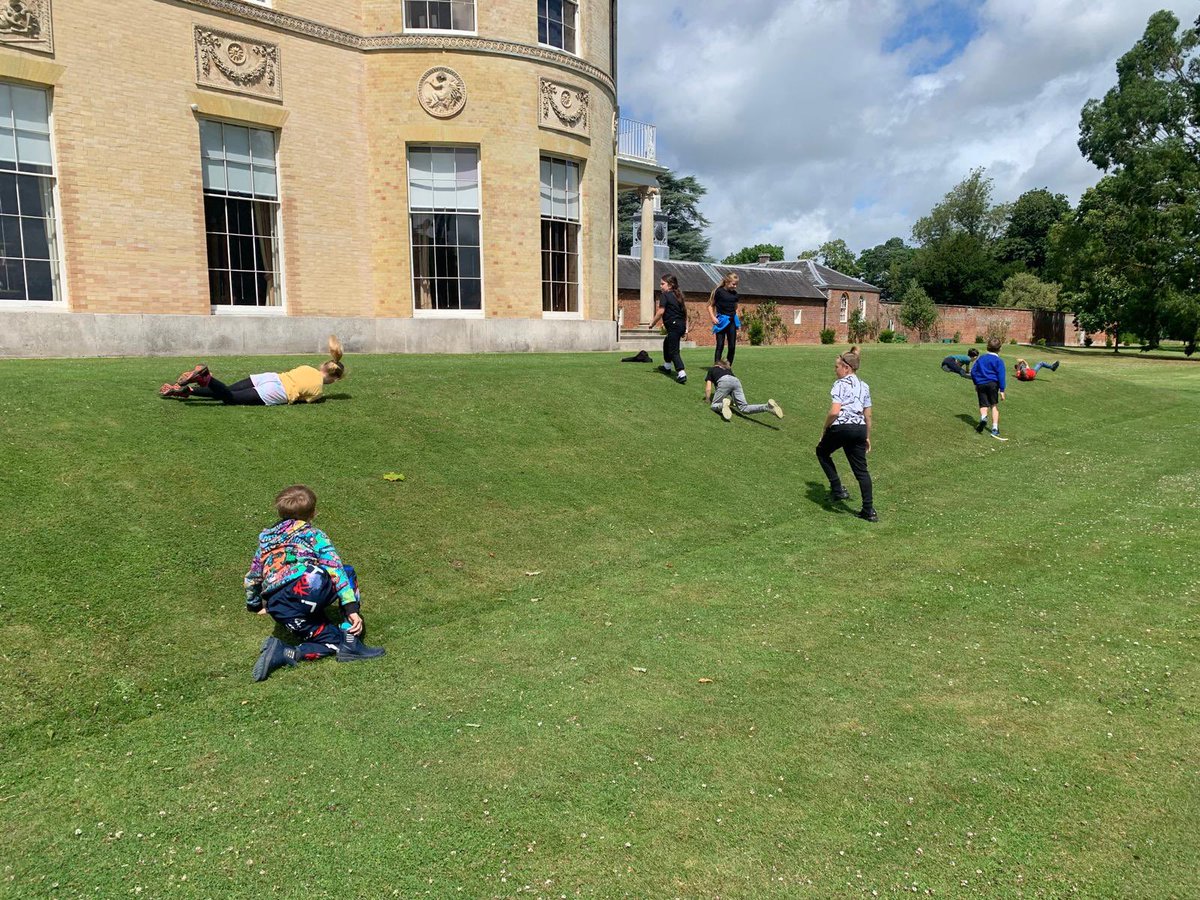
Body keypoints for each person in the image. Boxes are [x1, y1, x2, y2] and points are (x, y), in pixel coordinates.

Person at [245, 485, 385, 682]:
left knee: (333, 641)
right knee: (347, 571)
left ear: (279, 512)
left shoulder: (266, 540)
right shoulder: (314, 534)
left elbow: (252, 578)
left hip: (279, 605)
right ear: (313, 513)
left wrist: (256, 605)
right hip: (308, 587)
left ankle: (285, 651)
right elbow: (335, 569)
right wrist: (351, 608)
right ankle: (351, 637)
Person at [158, 335, 346, 405]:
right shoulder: (319, 391)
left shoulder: (306, 367)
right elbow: (305, 399)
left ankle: (186, 391)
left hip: (271, 377)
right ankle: (205, 379)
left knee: (227, 391)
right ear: (334, 379)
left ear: (324, 365)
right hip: (277, 391)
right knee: (230, 399)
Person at [816, 346, 877, 522]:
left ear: (846, 368)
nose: (835, 371)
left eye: (837, 367)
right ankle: (869, 510)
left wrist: (825, 428)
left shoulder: (840, 384)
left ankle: (838, 489)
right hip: (859, 428)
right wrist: (866, 436)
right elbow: (868, 414)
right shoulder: (864, 386)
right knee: (861, 471)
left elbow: (835, 411)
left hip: (842, 427)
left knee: (822, 451)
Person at [704, 358, 783, 422]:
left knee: (714, 405)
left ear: (715, 364)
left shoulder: (712, 369)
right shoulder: (728, 369)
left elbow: (708, 388)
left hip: (723, 381)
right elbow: (731, 387)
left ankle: (723, 404)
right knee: (744, 408)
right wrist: (732, 402)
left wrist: (707, 399)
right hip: (736, 381)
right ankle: (767, 407)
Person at [648, 273, 688, 384]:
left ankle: (681, 373)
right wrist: (685, 329)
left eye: (662, 284)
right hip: (680, 325)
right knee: (667, 343)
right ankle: (667, 366)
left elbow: (661, 312)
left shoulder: (665, 295)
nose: (660, 286)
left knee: (673, 350)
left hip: (674, 326)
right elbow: (684, 313)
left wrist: (652, 323)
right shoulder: (678, 296)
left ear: (670, 285)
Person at [971, 337, 1007, 436]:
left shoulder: (981, 358)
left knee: (983, 404)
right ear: (1000, 349)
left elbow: (973, 372)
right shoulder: (999, 361)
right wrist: (1002, 389)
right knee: (994, 406)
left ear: (987, 347)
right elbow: (1001, 375)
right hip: (993, 385)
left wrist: (976, 383)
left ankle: (983, 417)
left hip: (981, 384)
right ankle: (995, 428)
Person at [707, 272, 742, 365]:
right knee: (720, 345)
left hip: (731, 321)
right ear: (727, 282)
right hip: (721, 321)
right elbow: (710, 306)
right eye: (733, 284)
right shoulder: (719, 292)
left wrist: (737, 320)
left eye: (736, 284)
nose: (735, 286)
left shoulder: (735, 294)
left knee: (732, 346)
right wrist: (713, 317)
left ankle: (728, 367)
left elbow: (736, 307)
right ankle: (717, 367)